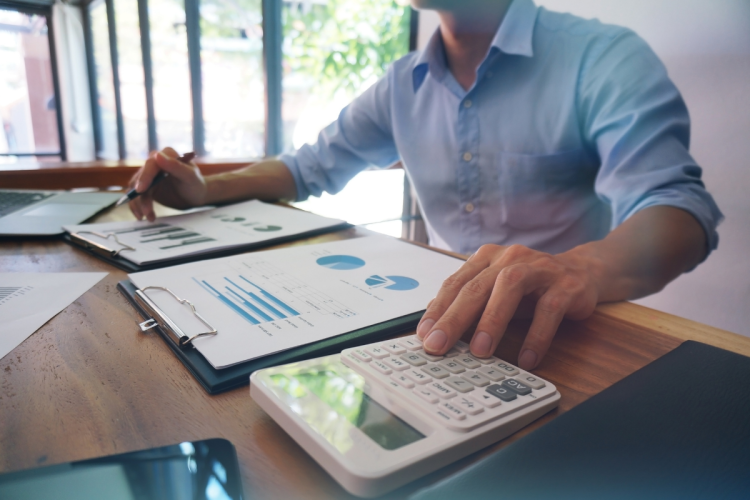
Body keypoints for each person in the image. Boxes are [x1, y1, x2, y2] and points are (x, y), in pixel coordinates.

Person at [128, 0, 722, 371]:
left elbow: (678, 209)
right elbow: (306, 167)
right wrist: (205, 191)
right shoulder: (400, 85)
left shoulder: (603, 57)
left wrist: (581, 269)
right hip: (436, 328)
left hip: (566, 343)